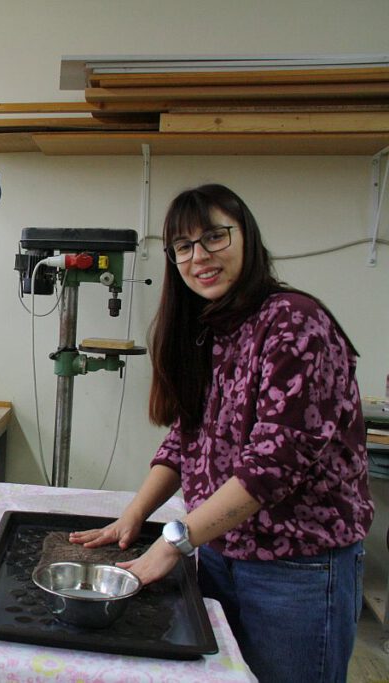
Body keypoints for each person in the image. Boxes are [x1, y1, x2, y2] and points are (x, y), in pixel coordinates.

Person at [70, 184, 373, 683]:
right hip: (216, 551)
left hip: (295, 569)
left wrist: (172, 542)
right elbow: (186, 439)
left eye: (214, 237)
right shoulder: (211, 328)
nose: (199, 257)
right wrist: (134, 514)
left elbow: (272, 467)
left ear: (246, 236)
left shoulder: (294, 322)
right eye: (183, 246)